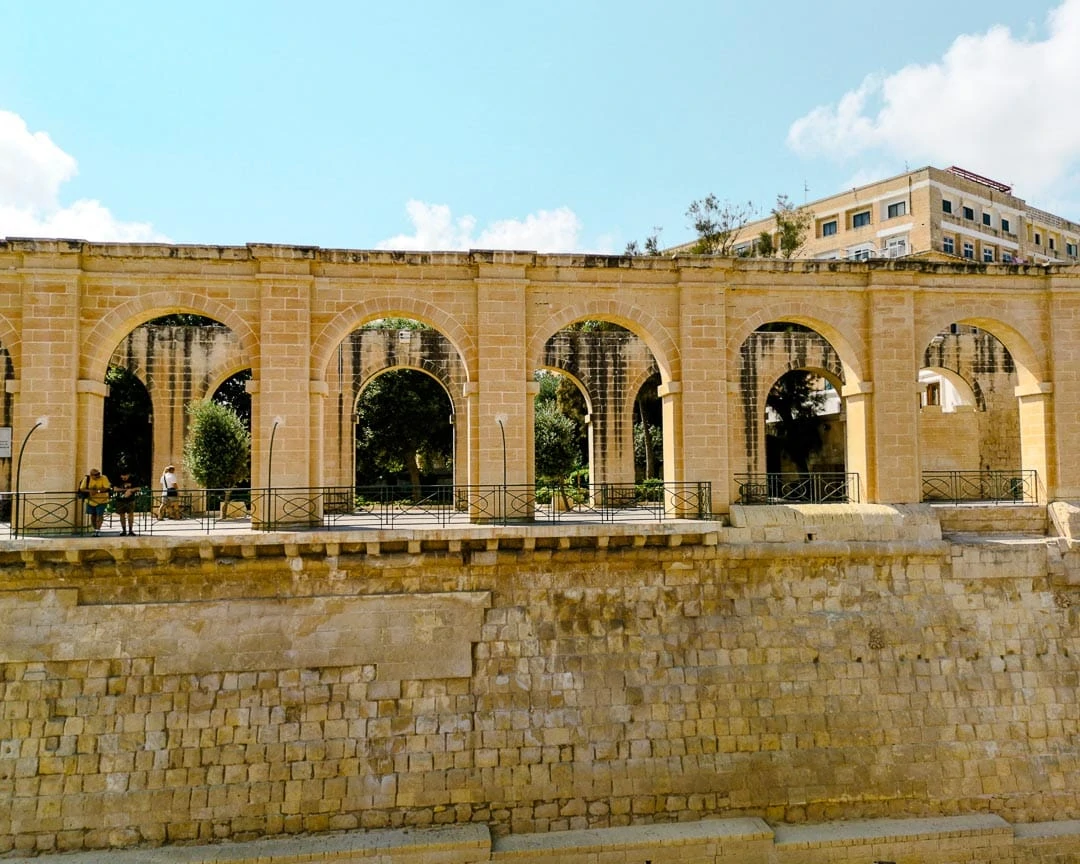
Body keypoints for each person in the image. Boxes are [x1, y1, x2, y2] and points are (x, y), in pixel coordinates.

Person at [78, 468, 111, 536]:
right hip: (91, 501)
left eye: (98, 474)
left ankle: (98, 531)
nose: (98, 475)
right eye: (96, 475)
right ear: (91, 475)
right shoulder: (87, 479)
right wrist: (90, 491)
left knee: (99, 515)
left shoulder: (103, 478)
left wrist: (97, 491)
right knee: (93, 516)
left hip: (102, 500)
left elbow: (106, 488)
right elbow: (82, 488)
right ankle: (95, 529)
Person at [112, 470, 138, 536]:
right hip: (120, 500)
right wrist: (126, 490)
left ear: (128, 475)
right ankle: (124, 530)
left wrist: (131, 490)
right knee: (122, 515)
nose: (123, 478)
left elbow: (138, 488)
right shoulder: (117, 479)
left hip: (131, 500)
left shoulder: (133, 479)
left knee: (130, 515)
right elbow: (115, 489)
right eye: (122, 477)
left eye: (125, 477)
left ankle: (130, 530)